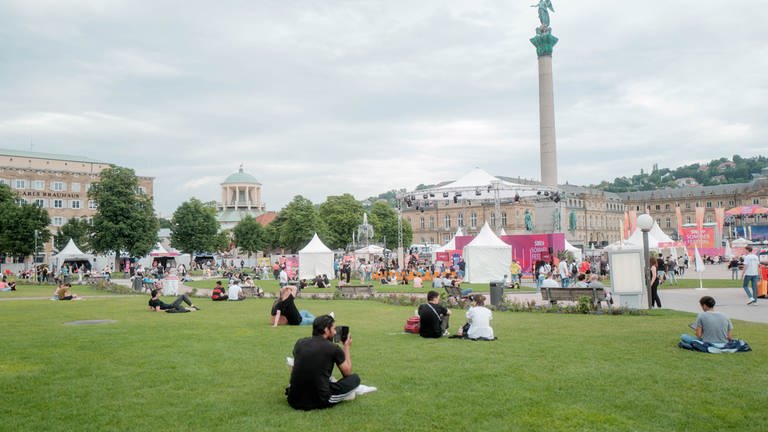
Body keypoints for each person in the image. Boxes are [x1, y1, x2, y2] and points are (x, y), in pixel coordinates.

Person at [286, 315, 361, 410]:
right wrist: (346, 347)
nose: (335, 332)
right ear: (326, 329)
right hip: (320, 399)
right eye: (334, 329)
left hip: (293, 399)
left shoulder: (300, 343)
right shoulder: (333, 348)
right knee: (355, 379)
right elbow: (347, 373)